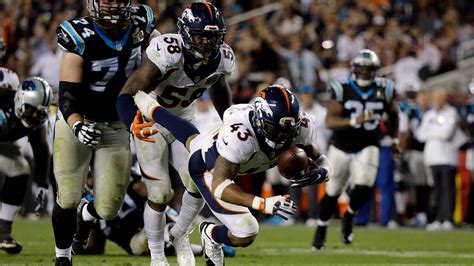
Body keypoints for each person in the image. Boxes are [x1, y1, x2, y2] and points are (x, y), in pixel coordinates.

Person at [132, 85, 332, 266]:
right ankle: (209, 233)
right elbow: (220, 185)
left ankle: (183, 234)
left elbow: (319, 157)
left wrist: (323, 171)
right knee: (246, 231)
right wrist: (264, 204)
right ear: (260, 120)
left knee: (192, 152)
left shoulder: (302, 127)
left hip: (231, 158)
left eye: (288, 130)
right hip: (209, 166)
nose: (282, 136)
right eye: (275, 128)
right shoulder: (242, 133)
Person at [116, 2, 233, 265]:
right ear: (186, 32)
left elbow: (218, 86)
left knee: (197, 182)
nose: (206, 41)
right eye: (201, 34)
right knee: (159, 193)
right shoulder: (168, 49)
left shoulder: (223, 57)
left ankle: (180, 234)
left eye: (212, 36)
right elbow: (128, 93)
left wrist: (230, 120)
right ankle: (157, 254)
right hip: (151, 119)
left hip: (184, 120)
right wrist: (129, 122)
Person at [51, 1, 156, 265]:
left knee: (109, 209)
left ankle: (87, 214)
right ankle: (62, 257)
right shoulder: (79, 34)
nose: (113, 4)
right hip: (78, 119)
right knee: (68, 195)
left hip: (116, 124)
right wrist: (76, 125)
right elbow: (67, 95)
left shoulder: (142, 21)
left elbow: (160, 56)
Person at [312, 49, 399, 250]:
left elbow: (393, 114)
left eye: (369, 69)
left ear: (375, 70)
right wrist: (354, 120)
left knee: (364, 186)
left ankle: (349, 215)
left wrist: (394, 139)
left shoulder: (384, 88)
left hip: (369, 144)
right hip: (341, 146)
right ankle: (321, 228)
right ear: (354, 69)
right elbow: (330, 121)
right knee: (332, 192)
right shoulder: (342, 87)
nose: (364, 73)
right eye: (361, 68)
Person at [0, 76, 52, 254]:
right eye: (32, 109)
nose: (36, 115)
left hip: (3, 141)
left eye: (40, 111)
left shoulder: (36, 121)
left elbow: (41, 148)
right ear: (20, 99)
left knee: (20, 169)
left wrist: (43, 183)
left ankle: (3, 231)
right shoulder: (3, 106)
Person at [417, 89, 462, 231]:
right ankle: (437, 218)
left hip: (447, 157)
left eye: (439, 99)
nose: (436, 101)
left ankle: (447, 219)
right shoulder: (429, 114)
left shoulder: (451, 113)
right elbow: (420, 135)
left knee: (448, 189)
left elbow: (446, 133)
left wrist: (431, 131)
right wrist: (436, 130)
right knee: (436, 190)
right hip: (432, 157)